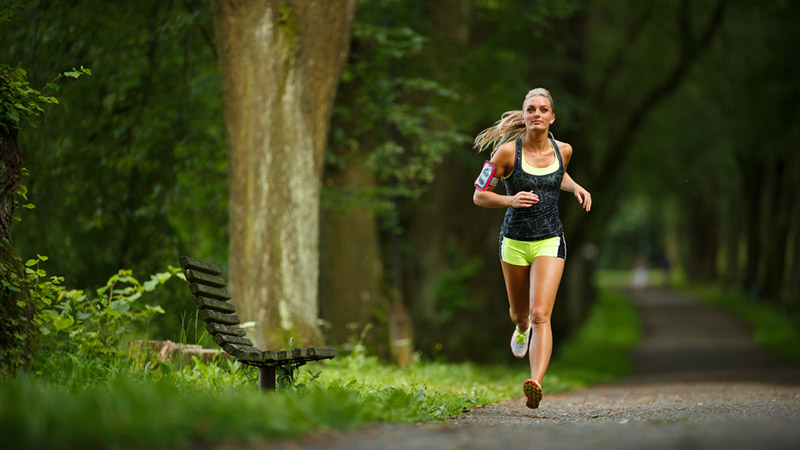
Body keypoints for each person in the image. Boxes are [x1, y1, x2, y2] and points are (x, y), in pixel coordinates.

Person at [472, 88, 591, 409]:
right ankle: (520, 328)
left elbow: (556, 175)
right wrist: (510, 199)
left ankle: (535, 382)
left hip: (550, 239)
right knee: (521, 313)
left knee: (541, 314)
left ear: (552, 117)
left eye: (543, 109)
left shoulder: (563, 150)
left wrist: (576, 186)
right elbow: (480, 195)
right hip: (513, 240)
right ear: (524, 116)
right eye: (531, 109)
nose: (537, 114)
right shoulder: (506, 154)